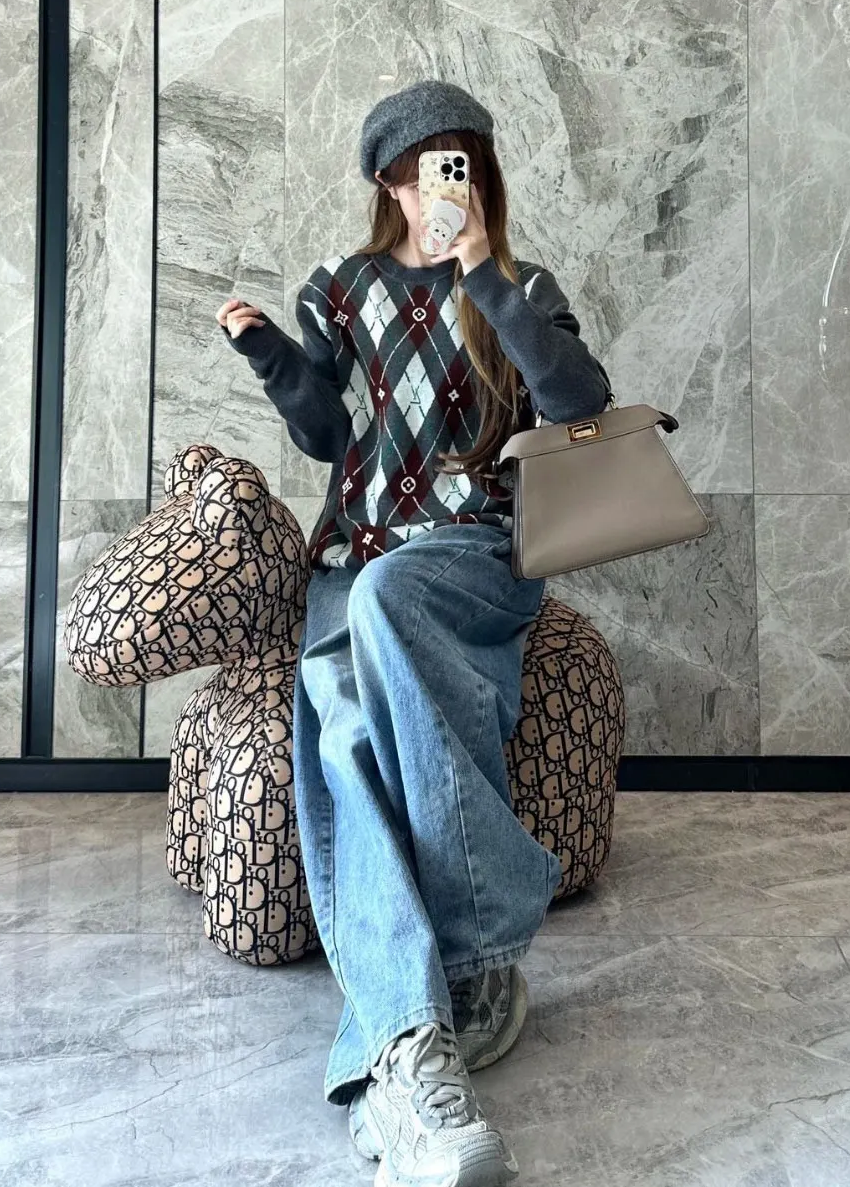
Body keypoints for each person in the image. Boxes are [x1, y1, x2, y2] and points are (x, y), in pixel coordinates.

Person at [216, 78, 611, 1187]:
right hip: (353, 561)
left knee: (389, 596)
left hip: (474, 558)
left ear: (479, 175)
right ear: (387, 183)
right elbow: (323, 431)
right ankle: (414, 1043)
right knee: (342, 728)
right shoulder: (344, 290)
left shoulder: (520, 285)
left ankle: (465, 953)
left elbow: (580, 400)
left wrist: (483, 271)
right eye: (418, 169)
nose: (437, 185)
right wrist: (269, 352)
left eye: (456, 164)